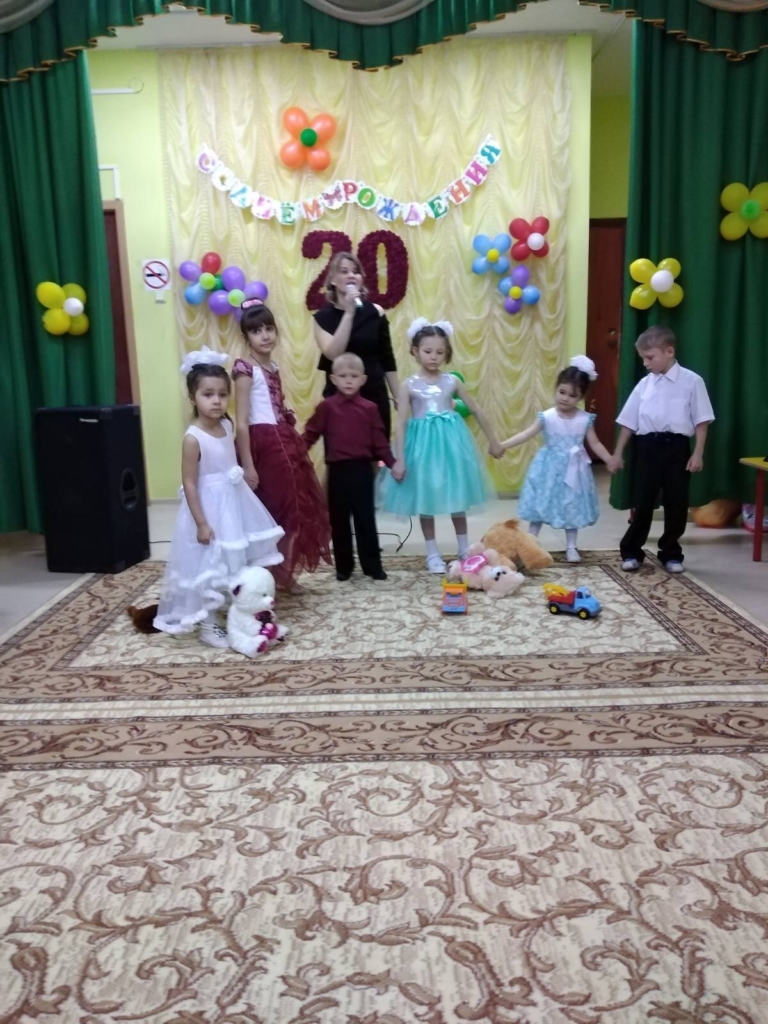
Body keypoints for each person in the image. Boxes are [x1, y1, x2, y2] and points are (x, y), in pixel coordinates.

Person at [154, 350, 284, 647]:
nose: (216, 401)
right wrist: (201, 523)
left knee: (233, 559)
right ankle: (208, 625)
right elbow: (190, 483)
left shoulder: (226, 425)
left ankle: (236, 611)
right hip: (208, 509)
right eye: (208, 394)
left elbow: (228, 463)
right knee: (208, 567)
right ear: (193, 397)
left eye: (223, 395)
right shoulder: (193, 438)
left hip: (233, 503)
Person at [385, 318, 503, 575]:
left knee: (457, 496)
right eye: (428, 351)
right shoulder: (409, 385)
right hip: (422, 449)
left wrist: (493, 440)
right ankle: (432, 553)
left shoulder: (451, 381)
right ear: (415, 351)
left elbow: (476, 410)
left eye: (440, 352)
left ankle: (463, 549)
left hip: (451, 447)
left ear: (447, 353)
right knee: (425, 498)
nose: (434, 357)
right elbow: (401, 422)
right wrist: (400, 459)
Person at [233, 302, 332, 593]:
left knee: (293, 506)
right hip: (263, 443)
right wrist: (248, 465)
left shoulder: (272, 367)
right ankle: (267, 573)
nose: (264, 336)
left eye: (269, 329)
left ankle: (283, 572)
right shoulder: (245, 369)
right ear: (246, 337)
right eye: (256, 331)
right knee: (271, 508)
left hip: (283, 440)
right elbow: (242, 422)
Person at [612, 325, 714, 573]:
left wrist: (697, 453)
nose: (646, 363)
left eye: (650, 357)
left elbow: (701, 421)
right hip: (647, 447)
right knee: (643, 501)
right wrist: (617, 453)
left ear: (669, 352)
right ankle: (632, 551)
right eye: (642, 358)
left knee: (676, 501)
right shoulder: (644, 385)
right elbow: (628, 422)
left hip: (677, 448)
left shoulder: (692, 381)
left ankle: (670, 553)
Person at [499, 356, 615, 564]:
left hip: (574, 470)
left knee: (571, 505)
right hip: (548, 469)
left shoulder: (584, 419)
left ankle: (571, 546)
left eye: (573, 395)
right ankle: (531, 543)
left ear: (581, 397)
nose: (565, 398)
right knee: (540, 505)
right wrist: (503, 445)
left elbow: (595, 443)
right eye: (562, 392)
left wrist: (609, 459)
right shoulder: (548, 416)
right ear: (556, 389)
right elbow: (526, 434)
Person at [303, 353, 395, 582]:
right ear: (333, 379)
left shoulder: (370, 409)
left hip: (363, 471)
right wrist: (294, 453)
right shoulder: (326, 407)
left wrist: (394, 465)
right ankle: (343, 567)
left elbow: (380, 442)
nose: (348, 381)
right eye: (343, 376)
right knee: (339, 520)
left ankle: (373, 566)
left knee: (366, 519)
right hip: (337, 472)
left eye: (354, 376)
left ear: (363, 379)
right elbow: (311, 433)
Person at [312, 251, 399, 437]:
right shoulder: (322, 318)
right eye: (344, 271)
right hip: (339, 399)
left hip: (374, 394)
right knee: (342, 449)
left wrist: (397, 395)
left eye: (356, 271)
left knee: (377, 449)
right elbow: (333, 353)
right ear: (333, 280)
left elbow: (387, 358)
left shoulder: (376, 312)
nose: (351, 275)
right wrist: (349, 313)